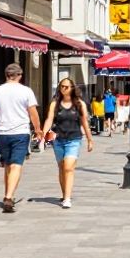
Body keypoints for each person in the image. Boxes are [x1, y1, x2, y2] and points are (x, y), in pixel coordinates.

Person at [0, 63, 41, 214]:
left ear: (6, 75)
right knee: (16, 165)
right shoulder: (26, 91)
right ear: (20, 76)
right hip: (20, 132)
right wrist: (38, 130)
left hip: (1, 133)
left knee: (8, 165)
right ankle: (9, 197)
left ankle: (8, 194)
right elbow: (33, 112)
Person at [40, 78, 94, 209]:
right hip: (58, 140)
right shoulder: (55, 104)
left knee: (68, 167)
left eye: (67, 87)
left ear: (72, 88)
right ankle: (65, 194)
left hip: (74, 139)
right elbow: (49, 120)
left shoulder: (79, 104)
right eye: (62, 86)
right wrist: (42, 137)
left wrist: (89, 139)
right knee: (62, 168)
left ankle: (67, 198)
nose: (64, 89)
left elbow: (84, 122)